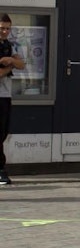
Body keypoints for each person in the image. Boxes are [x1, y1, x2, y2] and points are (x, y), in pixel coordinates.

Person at [0, 14, 26, 187]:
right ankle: (1, 170)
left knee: (3, 133)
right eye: (2, 27)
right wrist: (11, 63)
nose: (5, 31)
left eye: (8, 28)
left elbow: (22, 63)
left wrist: (10, 61)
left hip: (5, 95)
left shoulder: (8, 45)